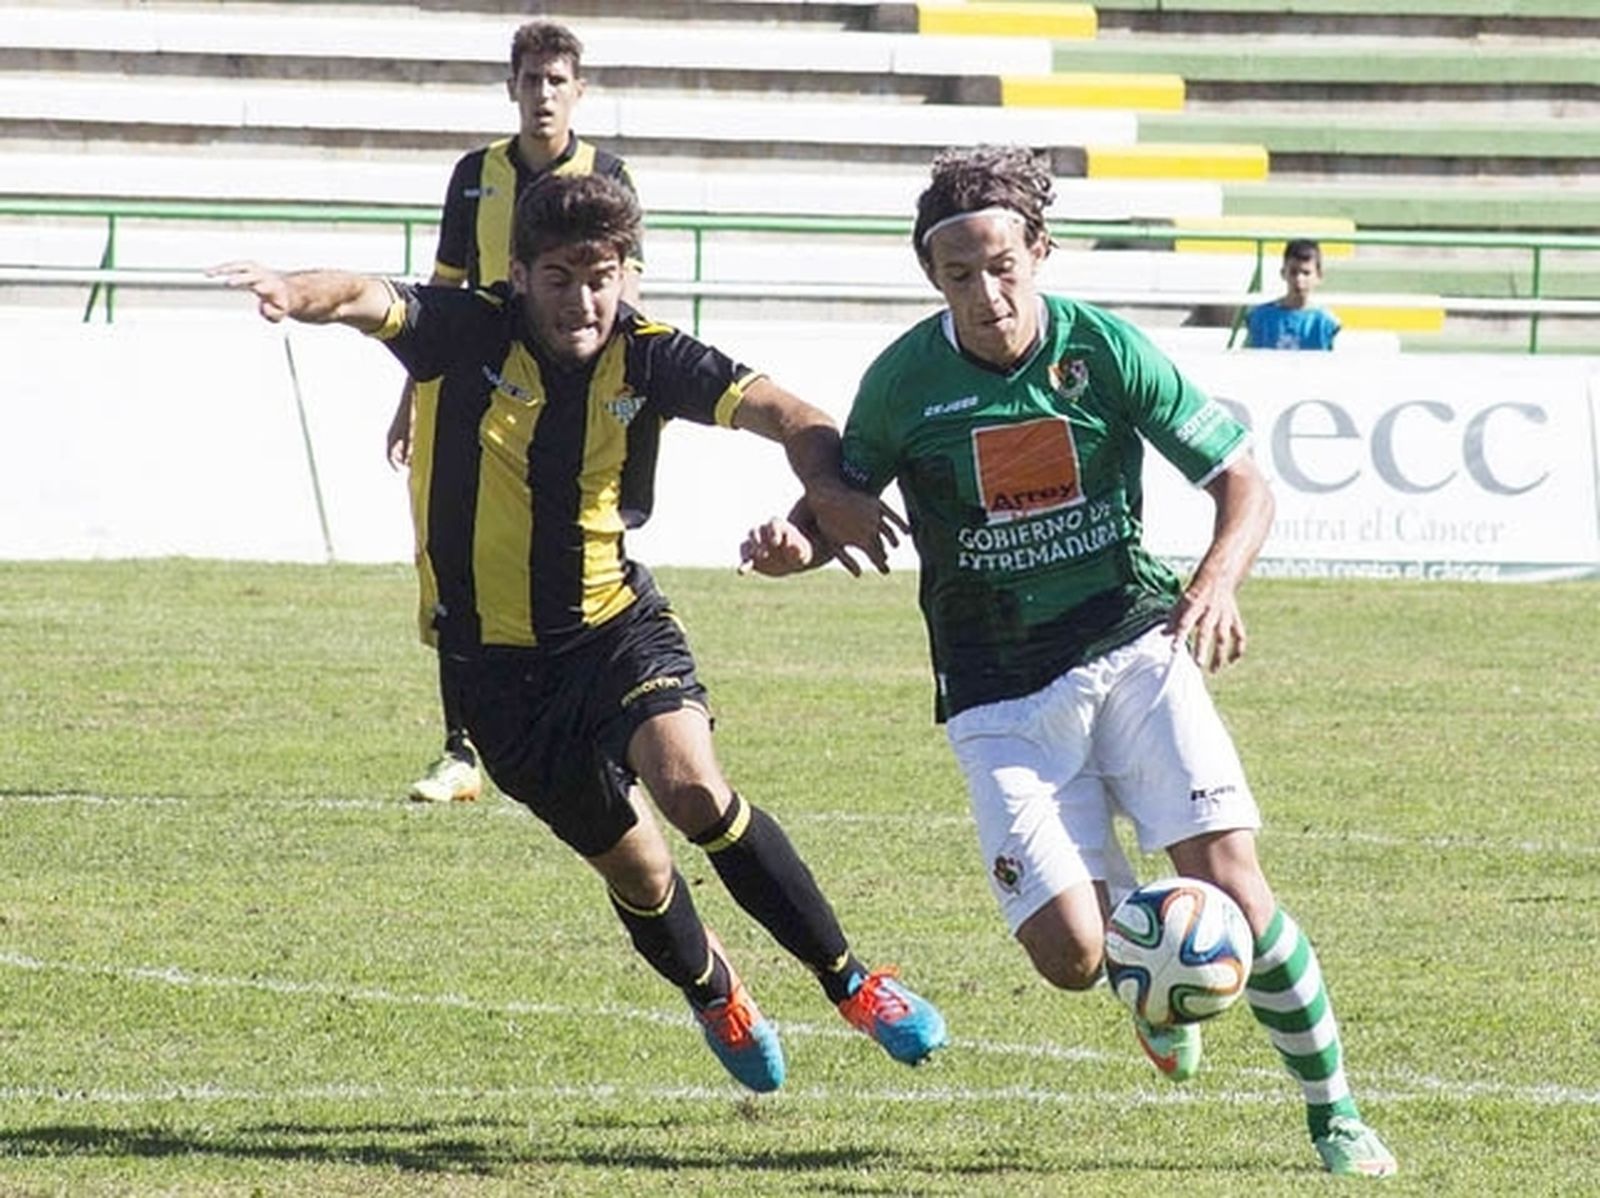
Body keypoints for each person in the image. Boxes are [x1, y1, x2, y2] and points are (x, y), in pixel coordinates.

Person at [211, 173, 947, 1093]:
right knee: (640, 872)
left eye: (601, 276)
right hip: (492, 670)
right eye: (559, 276)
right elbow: (364, 295)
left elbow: (794, 416)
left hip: (613, 627)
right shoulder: (469, 329)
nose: (582, 299)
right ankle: (715, 988)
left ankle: (853, 983)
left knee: (694, 793)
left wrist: (830, 492)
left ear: (627, 274)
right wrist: (292, 288)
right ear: (519, 274)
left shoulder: (649, 356)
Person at [740, 146, 1397, 1176]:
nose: (987, 292)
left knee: (1232, 879)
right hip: (998, 696)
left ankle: (1336, 1113)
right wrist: (797, 544)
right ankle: (1148, 966)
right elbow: (838, 499)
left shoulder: (1103, 350)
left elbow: (1242, 481)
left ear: (1038, 250)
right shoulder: (905, 383)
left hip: (1132, 647)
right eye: (959, 274)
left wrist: (1216, 579)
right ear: (932, 277)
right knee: (1071, 956)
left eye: (1003, 265)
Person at [391, 19, 645, 804]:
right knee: (453, 554)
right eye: (531, 80)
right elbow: (441, 287)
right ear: (512, 88)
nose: (543, 95)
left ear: (578, 90)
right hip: (467, 392)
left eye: (557, 80)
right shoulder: (475, 174)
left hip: (573, 400)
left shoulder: (609, 172)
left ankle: (604, 718)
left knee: (581, 545)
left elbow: (625, 289)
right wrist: (409, 395)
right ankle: (461, 747)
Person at [1244, 238, 1340, 350]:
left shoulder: (1326, 323)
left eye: (1306, 273)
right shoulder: (1260, 317)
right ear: (1283, 273)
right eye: (1293, 272)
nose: (1299, 279)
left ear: (1319, 276)